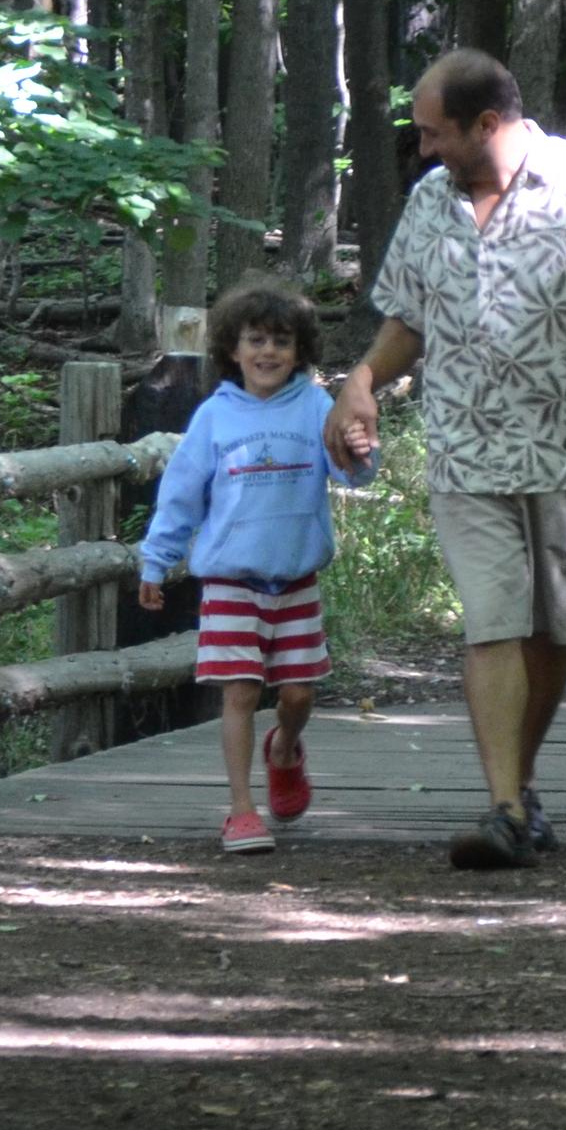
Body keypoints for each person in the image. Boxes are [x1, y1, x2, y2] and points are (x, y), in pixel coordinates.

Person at [330, 48, 566, 872]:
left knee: (555, 630)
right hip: (465, 447)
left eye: (433, 132)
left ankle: (520, 792)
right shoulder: (430, 201)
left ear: (487, 123)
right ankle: (503, 806)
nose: (423, 150)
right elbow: (407, 320)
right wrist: (361, 380)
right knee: (493, 619)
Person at [137, 277, 369, 855]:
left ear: (300, 351)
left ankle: (285, 748)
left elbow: (350, 472)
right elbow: (181, 494)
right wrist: (156, 560)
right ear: (232, 350)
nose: (268, 353)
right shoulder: (214, 417)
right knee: (239, 694)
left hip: (296, 580)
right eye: (256, 340)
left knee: (298, 694)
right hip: (230, 580)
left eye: (281, 342)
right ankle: (241, 810)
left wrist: (361, 452)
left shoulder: (317, 405)